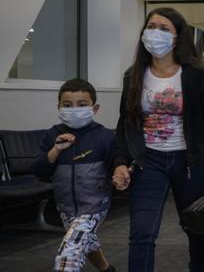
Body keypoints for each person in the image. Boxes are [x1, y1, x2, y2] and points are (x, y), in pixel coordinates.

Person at [110, 7, 204, 272]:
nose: (155, 33)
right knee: (142, 233)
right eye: (151, 26)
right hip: (148, 163)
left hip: (190, 163)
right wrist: (120, 161)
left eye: (164, 28)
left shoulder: (196, 75)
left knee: (195, 231)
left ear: (178, 37)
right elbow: (126, 124)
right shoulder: (133, 75)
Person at [32, 79, 116, 272]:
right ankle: (106, 269)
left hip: (94, 205)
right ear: (59, 107)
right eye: (67, 105)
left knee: (68, 255)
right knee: (85, 240)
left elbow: (116, 163)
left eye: (82, 105)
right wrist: (55, 150)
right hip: (66, 206)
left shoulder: (104, 136)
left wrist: (122, 173)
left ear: (95, 109)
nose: (74, 110)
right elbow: (38, 170)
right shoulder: (52, 134)